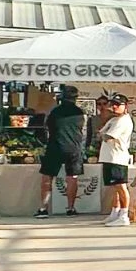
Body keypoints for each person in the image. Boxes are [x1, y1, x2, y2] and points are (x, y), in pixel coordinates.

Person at [37, 85, 90, 217]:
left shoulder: (54, 112)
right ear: (75, 98)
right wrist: (85, 148)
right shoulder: (81, 113)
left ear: (61, 97)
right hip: (74, 147)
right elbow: (87, 133)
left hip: (55, 146)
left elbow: (45, 129)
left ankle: (43, 208)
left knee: (47, 176)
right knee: (72, 178)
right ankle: (70, 208)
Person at [97, 94, 135, 227]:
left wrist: (103, 134)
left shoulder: (123, 121)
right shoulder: (113, 120)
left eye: (118, 105)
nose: (114, 107)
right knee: (114, 188)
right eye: (113, 104)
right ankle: (115, 212)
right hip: (109, 156)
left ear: (125, 106)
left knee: (121, 186)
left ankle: (124, 215)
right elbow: (100, 132)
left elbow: (108, 136)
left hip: (117, 157)